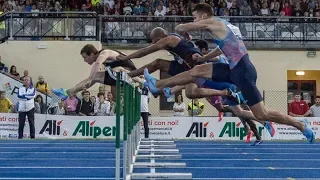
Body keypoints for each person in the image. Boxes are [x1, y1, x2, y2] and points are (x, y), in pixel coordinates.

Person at [143, 3, 314, 143]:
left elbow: (182, 27)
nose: (194, 19)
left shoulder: (212, 22)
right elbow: (221, 48)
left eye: (195, 16)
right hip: (234, 69)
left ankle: (299, 124)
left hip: (242, 71)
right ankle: (157, 84)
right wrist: (204, 58)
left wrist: (182, 28)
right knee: (196, 71)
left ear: (203, 16)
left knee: (261, 113)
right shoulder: (222, 26)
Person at [116, 27, 241, 102]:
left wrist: (127, 57)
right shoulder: (176, 39)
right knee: (159, 63)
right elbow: (187, 43)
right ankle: (131, 76)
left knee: (190, 92)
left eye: (154, 41)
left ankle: (226, 92)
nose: (153, 43)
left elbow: (146, 51)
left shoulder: (169, 39)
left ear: (160, 36)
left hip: (192, 65)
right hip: (184, 64)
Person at [51, 45, 144, 100]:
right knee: (95, 77)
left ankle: (143, 82)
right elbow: (125, 56)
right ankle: (68, 92)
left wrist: (138, 75)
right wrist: (90, 79)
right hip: (121, 76)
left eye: (85, 58)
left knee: (117, 69)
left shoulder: (105, 53)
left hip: (129, 75)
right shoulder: (110, 55)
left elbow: (98, 62)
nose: (85, 61)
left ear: (91, 54)